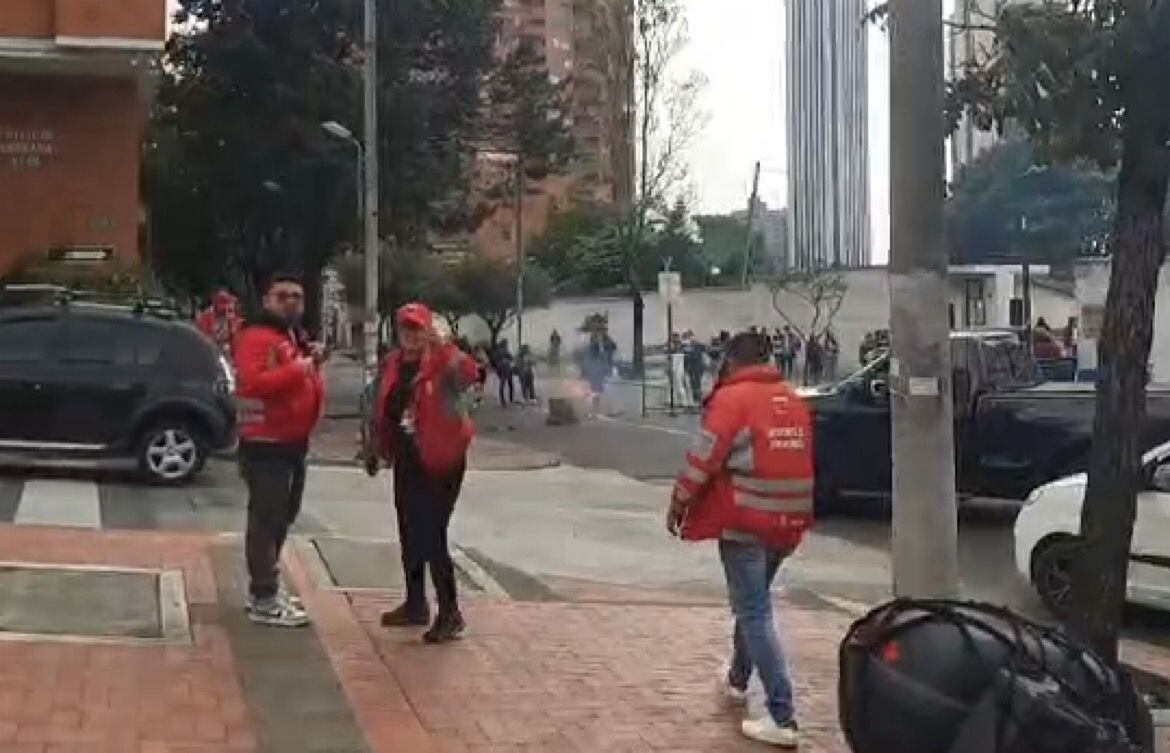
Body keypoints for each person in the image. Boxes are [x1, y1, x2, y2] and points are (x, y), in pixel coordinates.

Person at [666, 331, 814, 748]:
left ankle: (782, 715)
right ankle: (737, 678)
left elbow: (703, 459)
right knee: (755, 603)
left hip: (746, 521)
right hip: (788, 522)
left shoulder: (732, 400)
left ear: (730, 361)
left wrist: (679, 503)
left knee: (753, 611)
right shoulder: (791, 398)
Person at [368, 303, 479, 643]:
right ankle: (415, 603)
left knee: (432, 534)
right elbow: (379, 406)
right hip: (407, 457)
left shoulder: (444, 363)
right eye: (405, 329)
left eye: (418, 329)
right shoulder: (392, 364)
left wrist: (444, 346)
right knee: (408, 530)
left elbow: (471, 374)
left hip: (443, 460)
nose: (411, 335)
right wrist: (373, 446)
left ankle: (451, 613)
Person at [234, 273, 325, 628]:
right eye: (282, 295)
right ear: (267, 300)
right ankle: (264, 596)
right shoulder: (256, 337)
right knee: (266, 520)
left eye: (297, 296)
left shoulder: (287, 337)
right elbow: (254, 382)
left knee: (282, 516)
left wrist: (308, 359)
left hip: (290, 442)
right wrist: (300, 367)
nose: (291, 302)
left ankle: (266, 589)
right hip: (266, 442)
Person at [196, 289, 242, 358]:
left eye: (227, 303)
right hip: (211, 352)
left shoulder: (231, 316)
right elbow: (202, 339)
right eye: (222, 303)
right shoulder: (205, 317)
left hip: (228, 353)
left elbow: (236, 336)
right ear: (215, 303)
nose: (225, 307)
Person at [682, 331, 707, 403]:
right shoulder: (685, 347)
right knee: (693, 383)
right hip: (691, 368)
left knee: (697, 383)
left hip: (697, 367)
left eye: (688, 337)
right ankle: (695, 397)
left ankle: (697, 398)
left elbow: (705, 349)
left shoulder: (698, 345)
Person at [494, 339, 516, 406]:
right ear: (505, 344)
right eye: (506, 344)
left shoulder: (497, 351)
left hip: (500, 369)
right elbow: (511, 357)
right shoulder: (505, 350)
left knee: (502, 384)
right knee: (510, 383)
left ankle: (502, 400)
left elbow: (494, 360)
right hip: (506, 368)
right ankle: (511, 398)